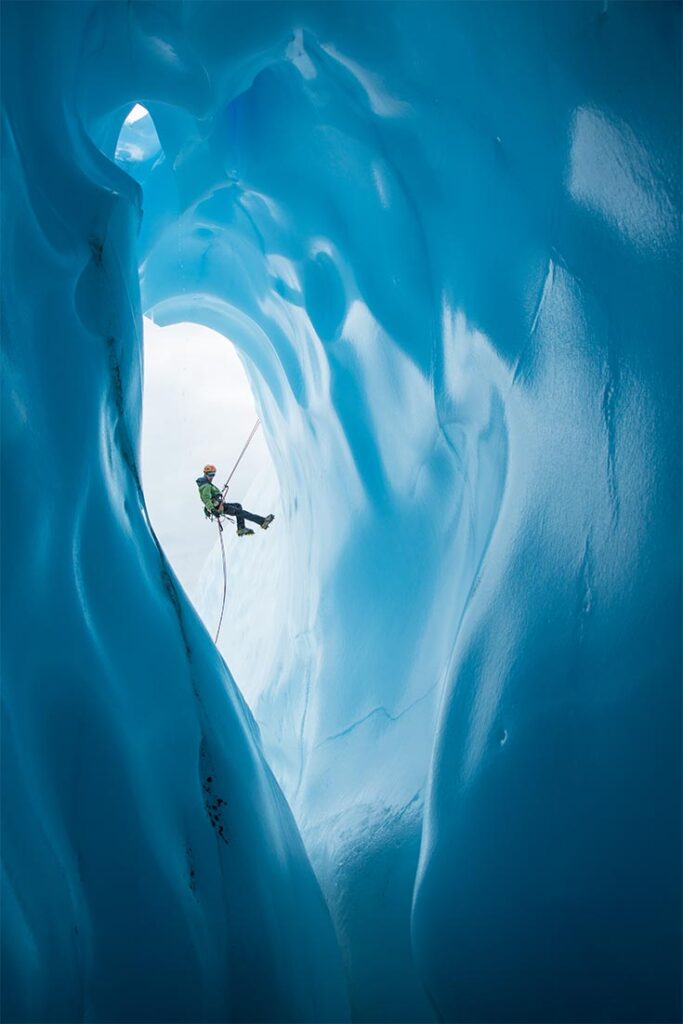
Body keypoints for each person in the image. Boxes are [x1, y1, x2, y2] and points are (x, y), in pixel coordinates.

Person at [196, 464, 274, 537]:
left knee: (238, 506)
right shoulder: (205, 485)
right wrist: (213, 510)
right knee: (241, 513)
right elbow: (206, 499)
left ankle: (241, 528)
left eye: (213, 474)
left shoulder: (207, 484)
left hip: (220, 505)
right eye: (210, 475)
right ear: (205, 474)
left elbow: (211, 495)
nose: (212, 477)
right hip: (218, 507)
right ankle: (262, 521)